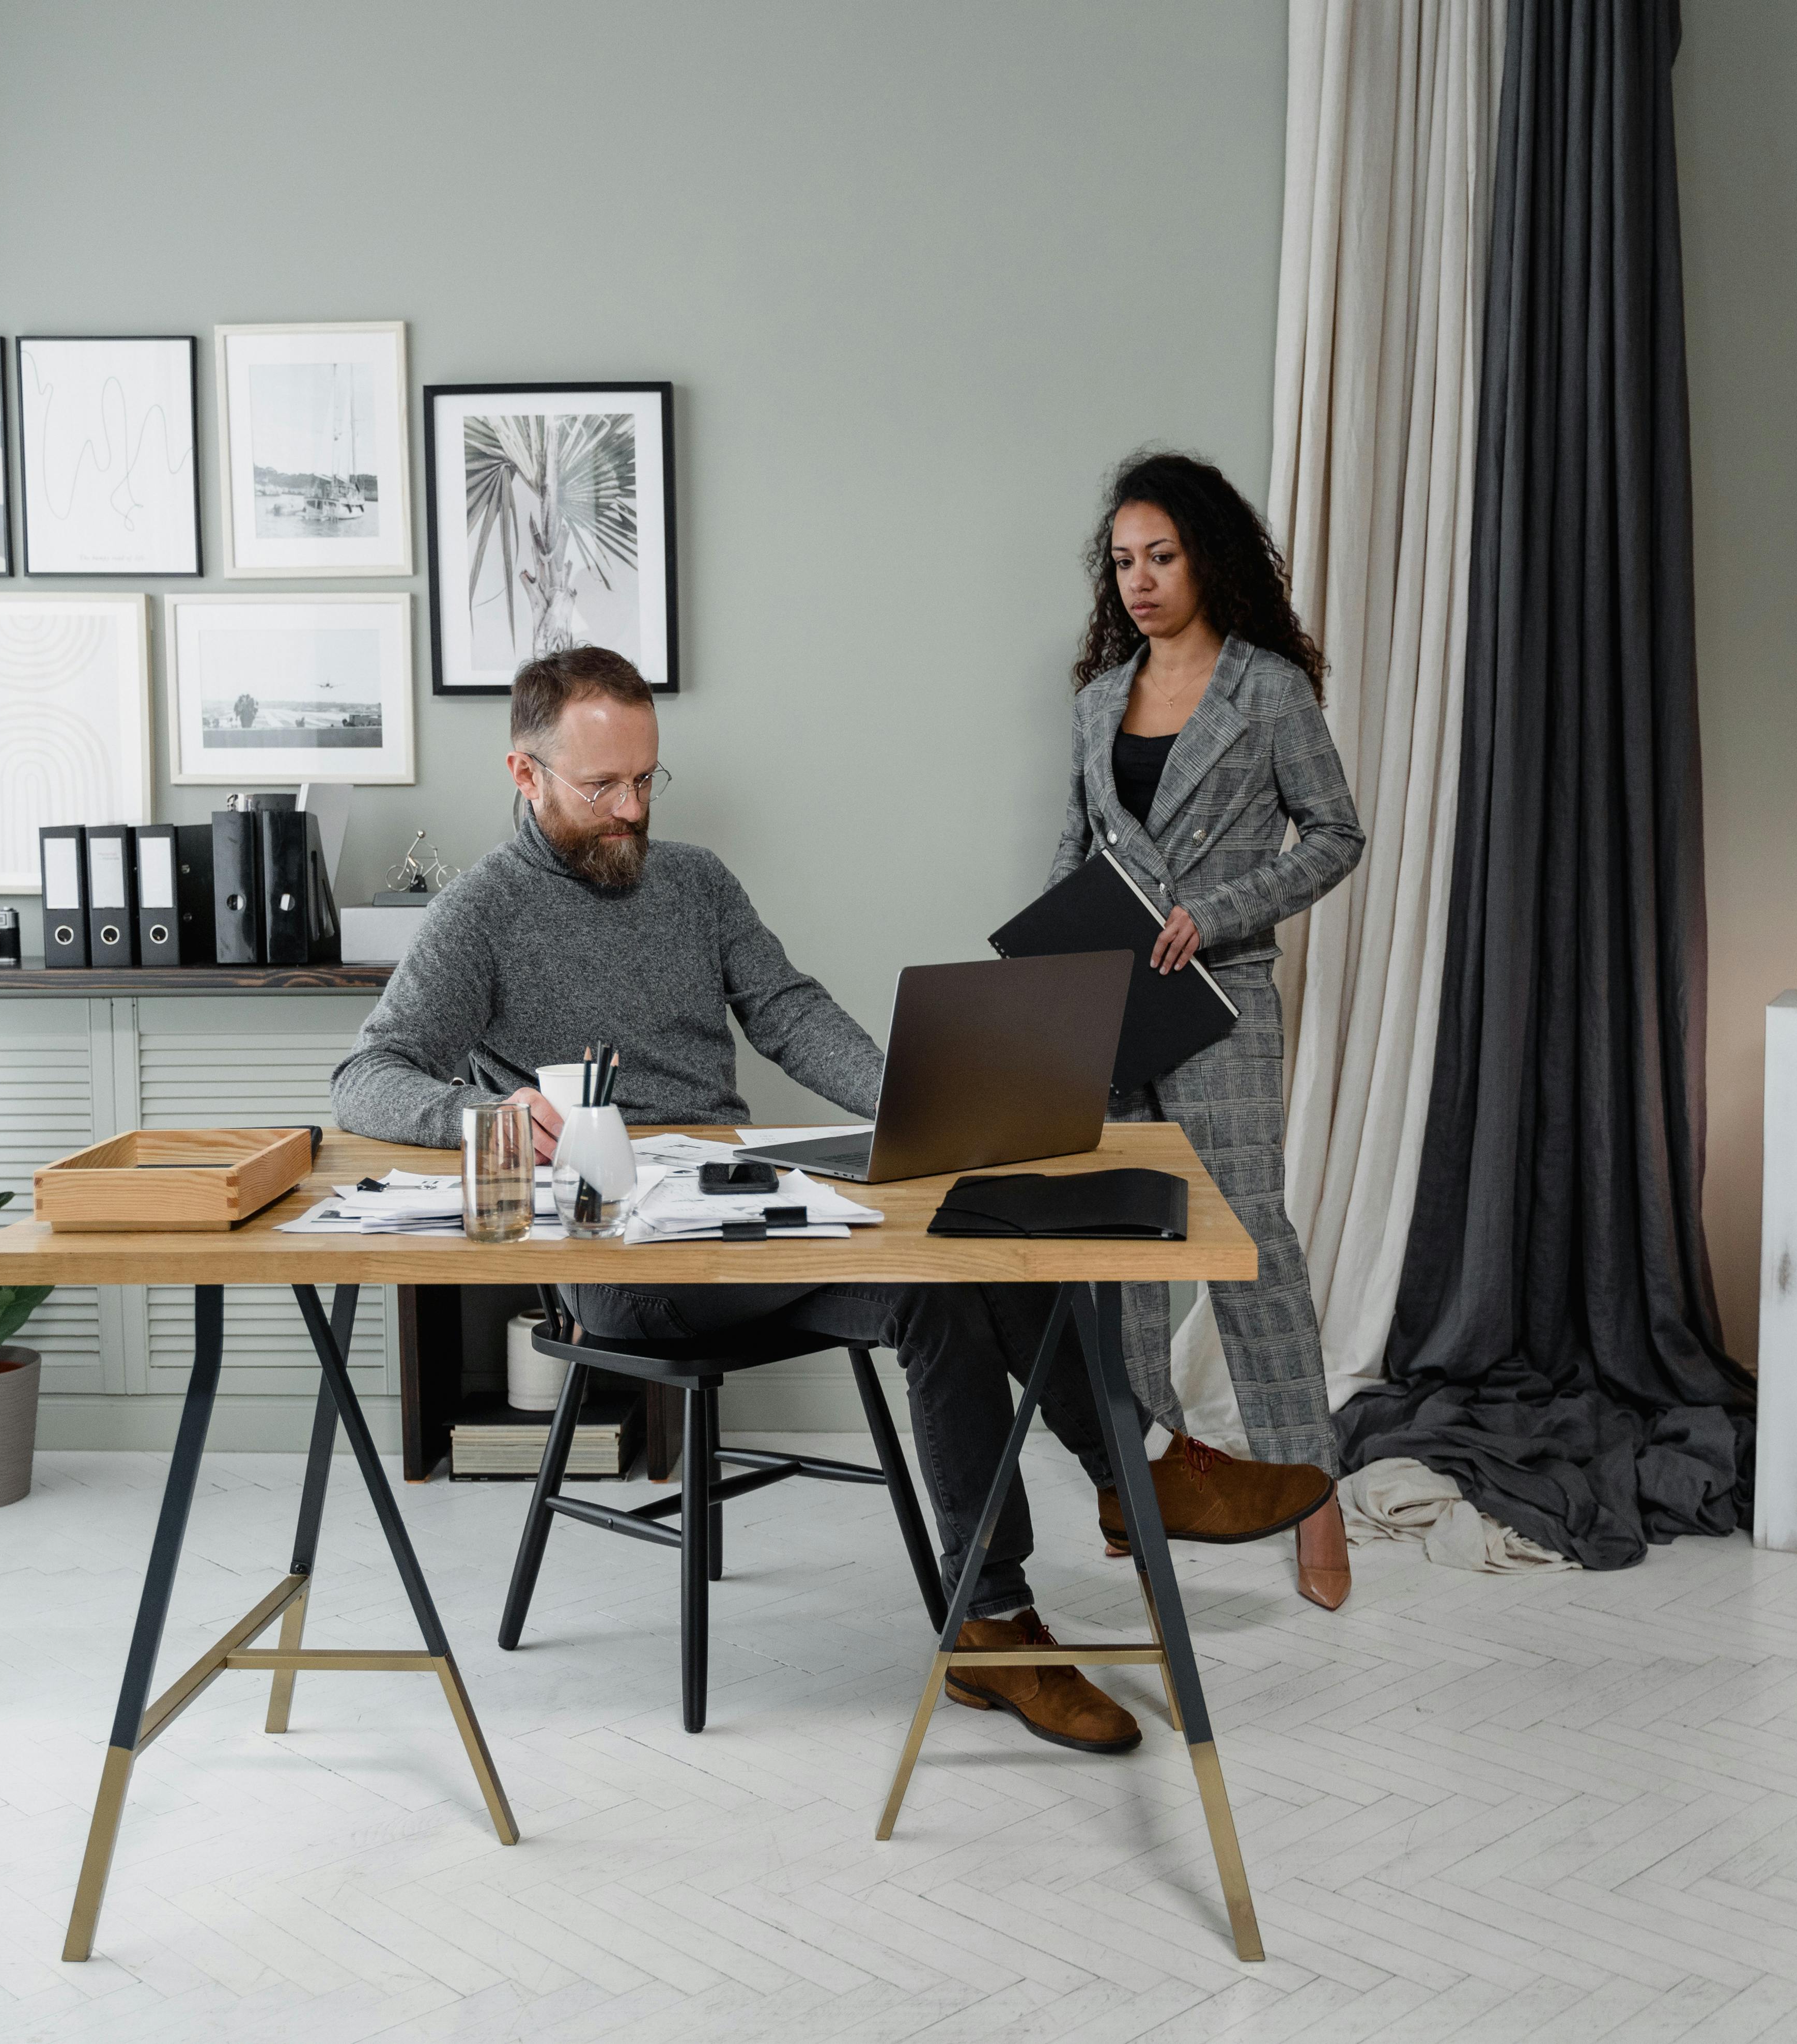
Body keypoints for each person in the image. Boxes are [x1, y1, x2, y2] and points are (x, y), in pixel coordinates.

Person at [331, 645, 1316, 1754]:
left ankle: (1002, 1618)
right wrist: (481, 1117)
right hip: (629, 1269)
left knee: (954, 1266)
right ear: (525, 775)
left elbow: (790, 1011)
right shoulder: (482, 913)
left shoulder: (695, 883)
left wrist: (912, 1103)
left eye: (648, 781)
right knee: (930, 1269)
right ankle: (1127, 1476)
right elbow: (367, 1075)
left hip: (743, 1215)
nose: (630, 810)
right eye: (601, 786)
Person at [1053, 450, 1369, 1609]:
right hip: (1111, 1003)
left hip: (1224, 997)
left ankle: (1309, 1486)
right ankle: (1154, 1476)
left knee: (1246, 1242)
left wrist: (1220, 911)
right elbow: (1078, 844)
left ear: (1208, 556)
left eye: (1162, 557)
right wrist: (1044, 974)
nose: (1140, 580)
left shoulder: (1270, 690)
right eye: (1124, 562)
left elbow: (1335, 835)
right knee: (1124, 1246)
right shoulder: (1096, 700)